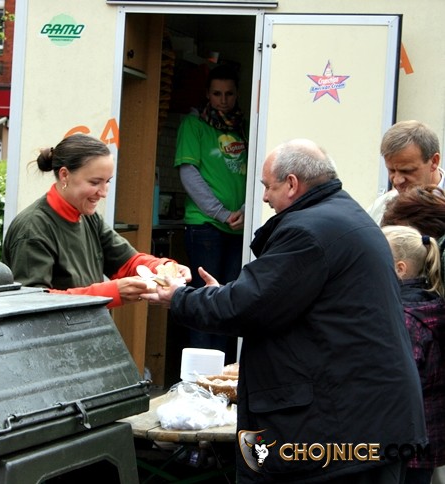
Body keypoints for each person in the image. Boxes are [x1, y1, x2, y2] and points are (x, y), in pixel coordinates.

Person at [144, 139, 427, 483]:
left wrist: (179, 297)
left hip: (343, 425)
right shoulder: (344, 216)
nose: (264, 197)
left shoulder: (308, 232)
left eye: (268, 186)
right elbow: (276, 298)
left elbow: (248, 307)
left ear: (292, 184)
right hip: (366, 416)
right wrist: (223, 295)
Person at [2, 133, 191, 308]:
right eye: (94, 182)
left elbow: (127, 262)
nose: (103, 193)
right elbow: (32, 302)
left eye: (107, 181)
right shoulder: (32, 228)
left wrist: (163, 268)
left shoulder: (87, 216)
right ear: (64, 175)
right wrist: (110, 292)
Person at [174, 63, 247, 357]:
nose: (223, 100)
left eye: (229, 94)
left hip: (240, 226)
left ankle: (223, 373)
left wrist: (246, 210)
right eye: (217, 93)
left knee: (230, 303)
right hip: (205, 226)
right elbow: (188, 174)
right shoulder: (193, 124)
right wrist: (222, 213)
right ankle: (199, 374)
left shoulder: (244, 125)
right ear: (207, 94)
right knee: (206, 300)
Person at [382, 225, 445, 484]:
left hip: (407, 443)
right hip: (426, 437)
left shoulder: (406, 318)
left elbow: (400, 382)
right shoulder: (430, 303)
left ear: (400, 269)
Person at [367, 120, 443, 224]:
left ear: (434, 161)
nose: (397, 180)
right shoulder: (379, 208)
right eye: (391, 170)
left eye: (407, 171)